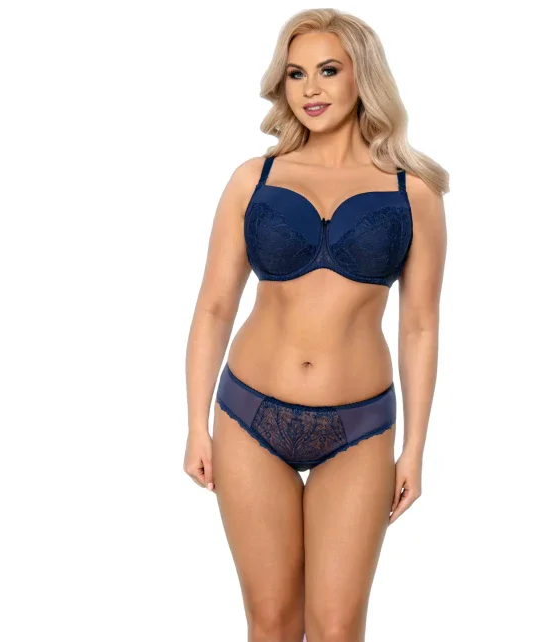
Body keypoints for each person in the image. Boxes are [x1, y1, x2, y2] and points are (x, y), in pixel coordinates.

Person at [184, 8, 448, 641]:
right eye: (296, 73)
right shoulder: (255, 179)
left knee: (336, 628)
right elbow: (214, 306)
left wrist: (414, 448)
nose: (310, 89)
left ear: (363, 75)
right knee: (272, 621)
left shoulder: (414, 192)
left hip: (359, 427)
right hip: (249, 415)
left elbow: (420, 326)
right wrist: (195, 424)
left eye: (328, 70)